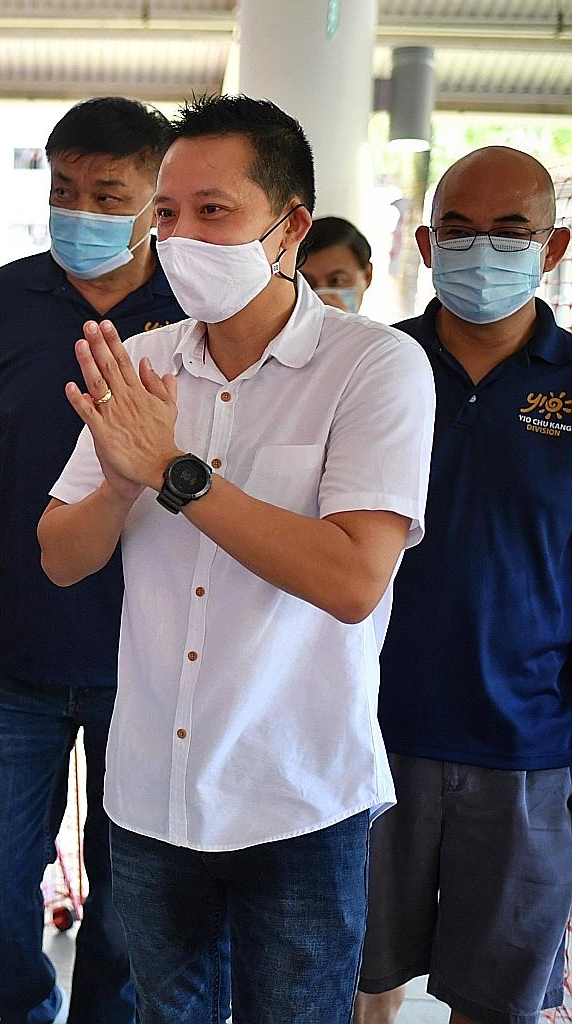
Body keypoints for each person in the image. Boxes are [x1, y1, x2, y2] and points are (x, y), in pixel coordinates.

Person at [38, 94, 436, 1024]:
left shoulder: (372, 368)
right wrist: (124, 482)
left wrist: (175, 473)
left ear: (288, 227)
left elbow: (350, 579)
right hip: (149, 794)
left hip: (295, 793)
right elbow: (60, 555)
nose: (181, 237)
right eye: (168, 214)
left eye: (214, 211)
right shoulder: (143, 360)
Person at [0, 96, 182, 1024]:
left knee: (132, 887)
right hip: (13, 648)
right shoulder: (6, 300)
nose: (83, 210)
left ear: (158, 197)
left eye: (110, 193)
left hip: (152, 660)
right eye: (65, 189)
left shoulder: (194, 310)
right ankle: (24, 1007)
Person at [354, 146, 572, 1024]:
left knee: (497, 1003)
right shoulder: (373, 372)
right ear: (425, 242)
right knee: (357, 985)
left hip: (530, 749)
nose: (484, 250)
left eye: (510, 231)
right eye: (460, 230)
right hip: (367, 740)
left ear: (553, 247)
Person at [300, 216, 374, 313]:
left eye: (336, 280)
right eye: (306, 282)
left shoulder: (387, 328)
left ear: (367, 276)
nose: (323, 299)